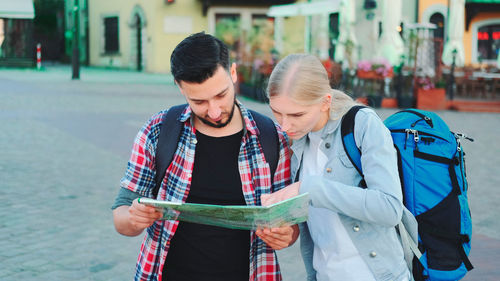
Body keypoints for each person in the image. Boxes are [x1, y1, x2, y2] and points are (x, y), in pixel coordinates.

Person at [111, 32, 298, 281]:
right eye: (199, 101)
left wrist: (286, 235)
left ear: (233, 73)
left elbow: (291, 224)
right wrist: (134, 218)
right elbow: (121, 215)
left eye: (221, 95)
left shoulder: (271, 136)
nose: (214, 111)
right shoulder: (158, 130)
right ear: (180, 86)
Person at [258, 54, 415, 281]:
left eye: (296, 114)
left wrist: (309, 188)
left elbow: (389, 208)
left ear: (325, 101)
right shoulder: (293, 141)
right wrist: (282, 231)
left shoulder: (362, 124)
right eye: (277, 112)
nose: (284, 125)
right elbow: (308, 222)